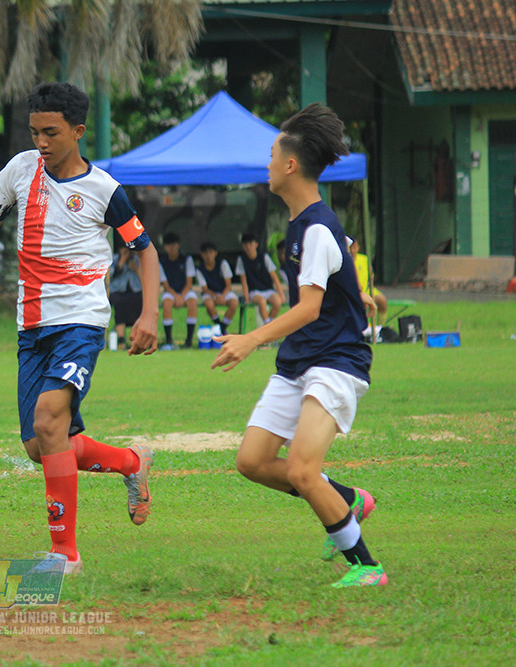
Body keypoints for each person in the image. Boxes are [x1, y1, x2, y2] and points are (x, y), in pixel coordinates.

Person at [0, 82, 160, 575]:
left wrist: (149, 313)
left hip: (80, 321)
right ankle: (131, 463)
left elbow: (145, 250)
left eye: (51, 133)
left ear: (77, 131)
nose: (41, 143)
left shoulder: (105, 190)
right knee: (40, 444)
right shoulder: (20, 168)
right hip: (31, 326)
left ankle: (64, 555)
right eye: (34, 133)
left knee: (51, 420)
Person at [212, 103, 387, 588]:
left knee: (304, 470)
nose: (267, 163)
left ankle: (367, 568)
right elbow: (344, 248)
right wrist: (360, 291)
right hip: (300, 360)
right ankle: (346, 499)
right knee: (251, 461)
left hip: (335, 361)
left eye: (271, 155)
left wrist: (250, 339)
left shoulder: (312, 227)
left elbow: (309, 307)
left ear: (291, 165)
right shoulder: (308, 222)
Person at [159, 232, 199, 349]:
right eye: (168, 245)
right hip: (170, 292)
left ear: (178, 245)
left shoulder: (187, 259)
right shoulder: (162, 262)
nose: (171, 248)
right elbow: (166, 285)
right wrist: (176, 297)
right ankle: (169, 340)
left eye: (173, 245)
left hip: (185, 291)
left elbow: (189, 282)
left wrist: (181, 296)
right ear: (165, 247)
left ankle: (189, 340)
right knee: (166, 304)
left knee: (193, 302)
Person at [235, 233, 284, 325]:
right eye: (246, 244)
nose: (248, 247)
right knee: (262, 302)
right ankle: (268, 326)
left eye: (251, 243)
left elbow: (274, 277)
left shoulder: (264, 257)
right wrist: (246, 297)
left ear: (256, 244)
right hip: (254, 292)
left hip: (268, 289)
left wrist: (281, 295)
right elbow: (244, 281)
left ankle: (269, 324)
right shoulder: (241, 260)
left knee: (277, 302)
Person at [195, 241, 238, 335]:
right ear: (202, 255)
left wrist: (222, 296)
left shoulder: (222, 263)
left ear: (215, 253)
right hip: (210, 294)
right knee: (208, 304)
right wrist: (216, 296)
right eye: (205, 253)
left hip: (224, 292)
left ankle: (222, 327)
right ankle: (219, 326)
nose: (208, 256)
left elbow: (228, 285)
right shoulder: (200, 269)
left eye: (210, 252)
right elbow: (205, 289)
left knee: (234, 302)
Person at [349, 238, 388, 335]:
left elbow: (370, 277)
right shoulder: (345, 260)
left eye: (355, 247)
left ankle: (380, 328)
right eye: (351, 248)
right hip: (353, 291)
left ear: (358, 247)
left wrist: (369, 290)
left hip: (367, 289)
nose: (353, 250)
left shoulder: (364, 259)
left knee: (382, 300)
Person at [109, 244, 143, 349]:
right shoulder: (114, 259)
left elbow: (145, 279)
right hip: (118, 291)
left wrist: (136, 269)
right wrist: (121, 262)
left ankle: (138, 337)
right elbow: (109, 276)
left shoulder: (138, 259)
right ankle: (121, 339)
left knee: (140, 301)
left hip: (135, 290)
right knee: (120, 303)